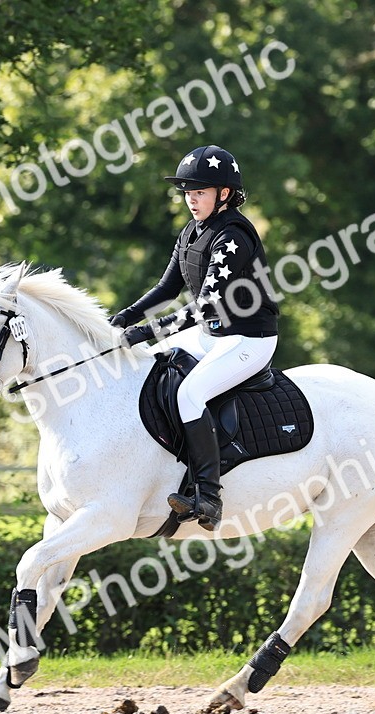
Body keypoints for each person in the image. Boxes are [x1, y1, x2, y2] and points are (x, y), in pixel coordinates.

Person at [110, 145, 279, 531]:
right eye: (187, 192)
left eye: (199, 192)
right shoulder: (192, 230)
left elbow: (204, 306)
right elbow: (166, 288)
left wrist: (144, 331)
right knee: (151, 365)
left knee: (190, 394)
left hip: (247, 340)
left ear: (224, 194)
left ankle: (208, 495)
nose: (191, 199)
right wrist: (121, 320)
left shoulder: (233, 235)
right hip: (211, 335)